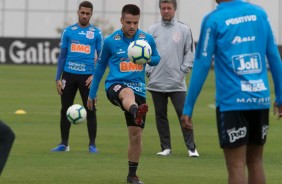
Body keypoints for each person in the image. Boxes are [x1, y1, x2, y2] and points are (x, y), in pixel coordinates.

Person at [181, 0, 282, 183]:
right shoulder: (259, 13)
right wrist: (280, 96)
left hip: (232, 102)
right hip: (260, 100)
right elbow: (274, 57)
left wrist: (188, 107)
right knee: (256, 162)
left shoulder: (214, 19)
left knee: (236, 166)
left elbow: (202, 63)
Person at [87, 4, 160, 184]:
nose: (132, 26)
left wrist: (148, 58)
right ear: (121, 20)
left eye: (135, 22)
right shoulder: (111, 40)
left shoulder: (146, 39)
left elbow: (157, 58)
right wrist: (92, 93)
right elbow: (100, 67)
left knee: (136, 136)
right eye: (128, 22)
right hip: (115, 86)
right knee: (126, 92)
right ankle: (135, 110)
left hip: (139, 89)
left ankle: (132, 176)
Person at [146, 0, 199, 157]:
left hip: (176, 83)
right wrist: (149, 71)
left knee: (184, 114)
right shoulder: (152, 30)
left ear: (175, 9)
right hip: (156, 82)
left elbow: (189, 54)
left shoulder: (184, 29)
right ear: (160, 10)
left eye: (169, 8)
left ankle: (191, 148)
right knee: (160, 116)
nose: (166, 11)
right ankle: (166, 148)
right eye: (163, 8)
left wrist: (182, 72)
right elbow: (146, 53)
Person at [52, 1, 103, 153]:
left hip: (87, 77)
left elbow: (101, 59)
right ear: (78, 12)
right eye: (83, 13)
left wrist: (95, 76)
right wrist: (57, 78)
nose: (85, 16)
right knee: (65, 109)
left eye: (88, 13)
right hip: (69, 75)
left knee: (91, 109)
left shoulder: (97, 33)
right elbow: (62, 56)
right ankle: (64, 144)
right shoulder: (68, 31)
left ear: (91, 14)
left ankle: (92, 145)